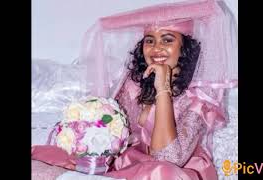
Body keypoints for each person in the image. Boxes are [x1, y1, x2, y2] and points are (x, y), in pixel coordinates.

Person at [32, 0, 237, 179]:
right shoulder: (132, 86)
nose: (156, 48)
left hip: (176, 171)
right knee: (49, 157)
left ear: (185, 47)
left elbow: (167, 158)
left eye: (167, 40)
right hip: (130, 163)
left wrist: (163, 89)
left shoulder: (199, 98)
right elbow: (110, 128)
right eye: (150, 40)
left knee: (163, 173)